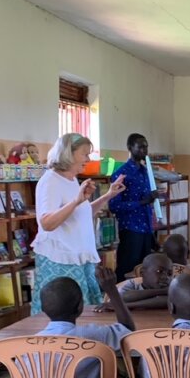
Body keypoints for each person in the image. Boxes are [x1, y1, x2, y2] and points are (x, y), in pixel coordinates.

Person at [9, 266, 134, 378]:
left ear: (43, 308)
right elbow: (128, 331)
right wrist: (111, 291)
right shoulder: (90, 337)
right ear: (80, 307)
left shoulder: (24, 345)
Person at [31, 133, 126, 313]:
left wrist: (108, 195)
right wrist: (76, 200)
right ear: (69, 153)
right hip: (61, 260)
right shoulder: (51, 181)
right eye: (85, 154)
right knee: (66, 312)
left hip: (78, 257)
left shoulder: (72, 179)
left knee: (84, 311)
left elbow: (81, 214)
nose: (88, 159)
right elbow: (47, 223)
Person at [108, 133, 162, 280]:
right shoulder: (121, 174)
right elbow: (114, 206)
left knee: (146, 271)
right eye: (140, 147)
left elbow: (148, 205)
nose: (145, 151)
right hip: (131, 229)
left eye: (146, 147)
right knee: (127, 271)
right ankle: (120, 300)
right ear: (130, 148)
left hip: (146, 229)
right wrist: (142, 202)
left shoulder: (146, 172)